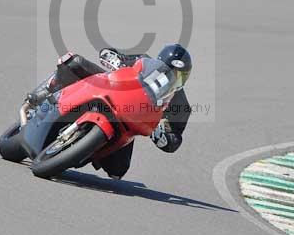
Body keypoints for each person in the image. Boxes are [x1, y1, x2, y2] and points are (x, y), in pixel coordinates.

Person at [26, 44, 193, 179]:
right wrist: (114, 60)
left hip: (129, 121)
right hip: (109, 92)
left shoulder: (181, 106)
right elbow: (110, 54)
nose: (172, 78)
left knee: (117, 171)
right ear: (157, 63)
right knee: (74, 63)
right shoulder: (142, 61)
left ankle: (84, 149)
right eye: (168, 71)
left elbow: (175, 139)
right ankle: (49, 88)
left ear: (185, 79)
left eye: (179, 76)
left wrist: (163, 138)